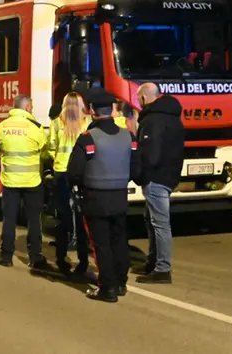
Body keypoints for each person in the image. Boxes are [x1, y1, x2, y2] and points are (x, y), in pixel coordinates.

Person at [66, 88, 141, 302]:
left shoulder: (88, 138)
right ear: (113, 109)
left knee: (101, 244)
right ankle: (121, 282)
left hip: (95, 197)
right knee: (119, 240)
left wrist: (79, 185)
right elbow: (136, 169)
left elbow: (74, 171)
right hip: (119, 196)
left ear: (92, 111)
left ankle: (107, 288)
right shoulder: (128, 136)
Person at [134, 83, 184, 284]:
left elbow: (150, 155)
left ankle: (162, 269)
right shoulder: (173, 117)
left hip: (156, 178)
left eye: (139, 99)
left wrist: (141, 175)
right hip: (170, 175)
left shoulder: (152, 120)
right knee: (152, 220)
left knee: (160, 223)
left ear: (144, 98)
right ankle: (153, 262)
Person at [0, 95, 49, 269]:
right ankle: (35, 257)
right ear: (28, 107)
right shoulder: (36, 128)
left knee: (9, 219)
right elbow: (44, 153)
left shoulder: (1, 126)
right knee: (34, 220)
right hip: (32, 182)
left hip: (10, 182)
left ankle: (6, 256)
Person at [48, 92, 91, 275]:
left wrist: (58, 159)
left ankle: (61, 258)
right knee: (82, 217)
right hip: (82, 173)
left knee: (62, 217)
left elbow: (51, 147)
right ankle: (83, 260)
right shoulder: (86, 122)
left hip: (61, 172)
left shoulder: (57, 123)